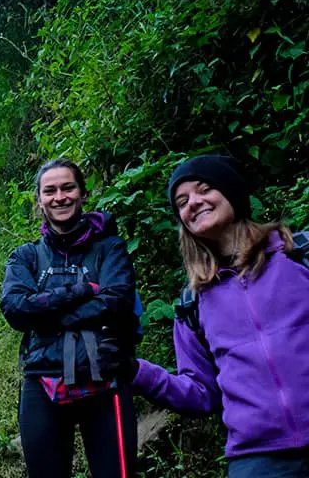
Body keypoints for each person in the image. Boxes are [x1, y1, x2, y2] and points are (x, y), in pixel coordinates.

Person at [109, 154, 309, 477]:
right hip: (258, 460)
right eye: (182, 201)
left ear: (231, 192)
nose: (193, 203)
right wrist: (135, 371)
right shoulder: (193, 303)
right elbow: (202, 394)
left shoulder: (298, 257)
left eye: (204, 189)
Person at [0, 158, 139, 478]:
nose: (59, 197)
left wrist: (49, 315)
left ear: (82, 193)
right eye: (50, 190)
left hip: (106, 375)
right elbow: (15, 310)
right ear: (39, 200)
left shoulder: (110, 248)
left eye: (67, 187)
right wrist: (79, 291)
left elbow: (117, 301)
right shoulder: (26, 256)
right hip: (42, 379)